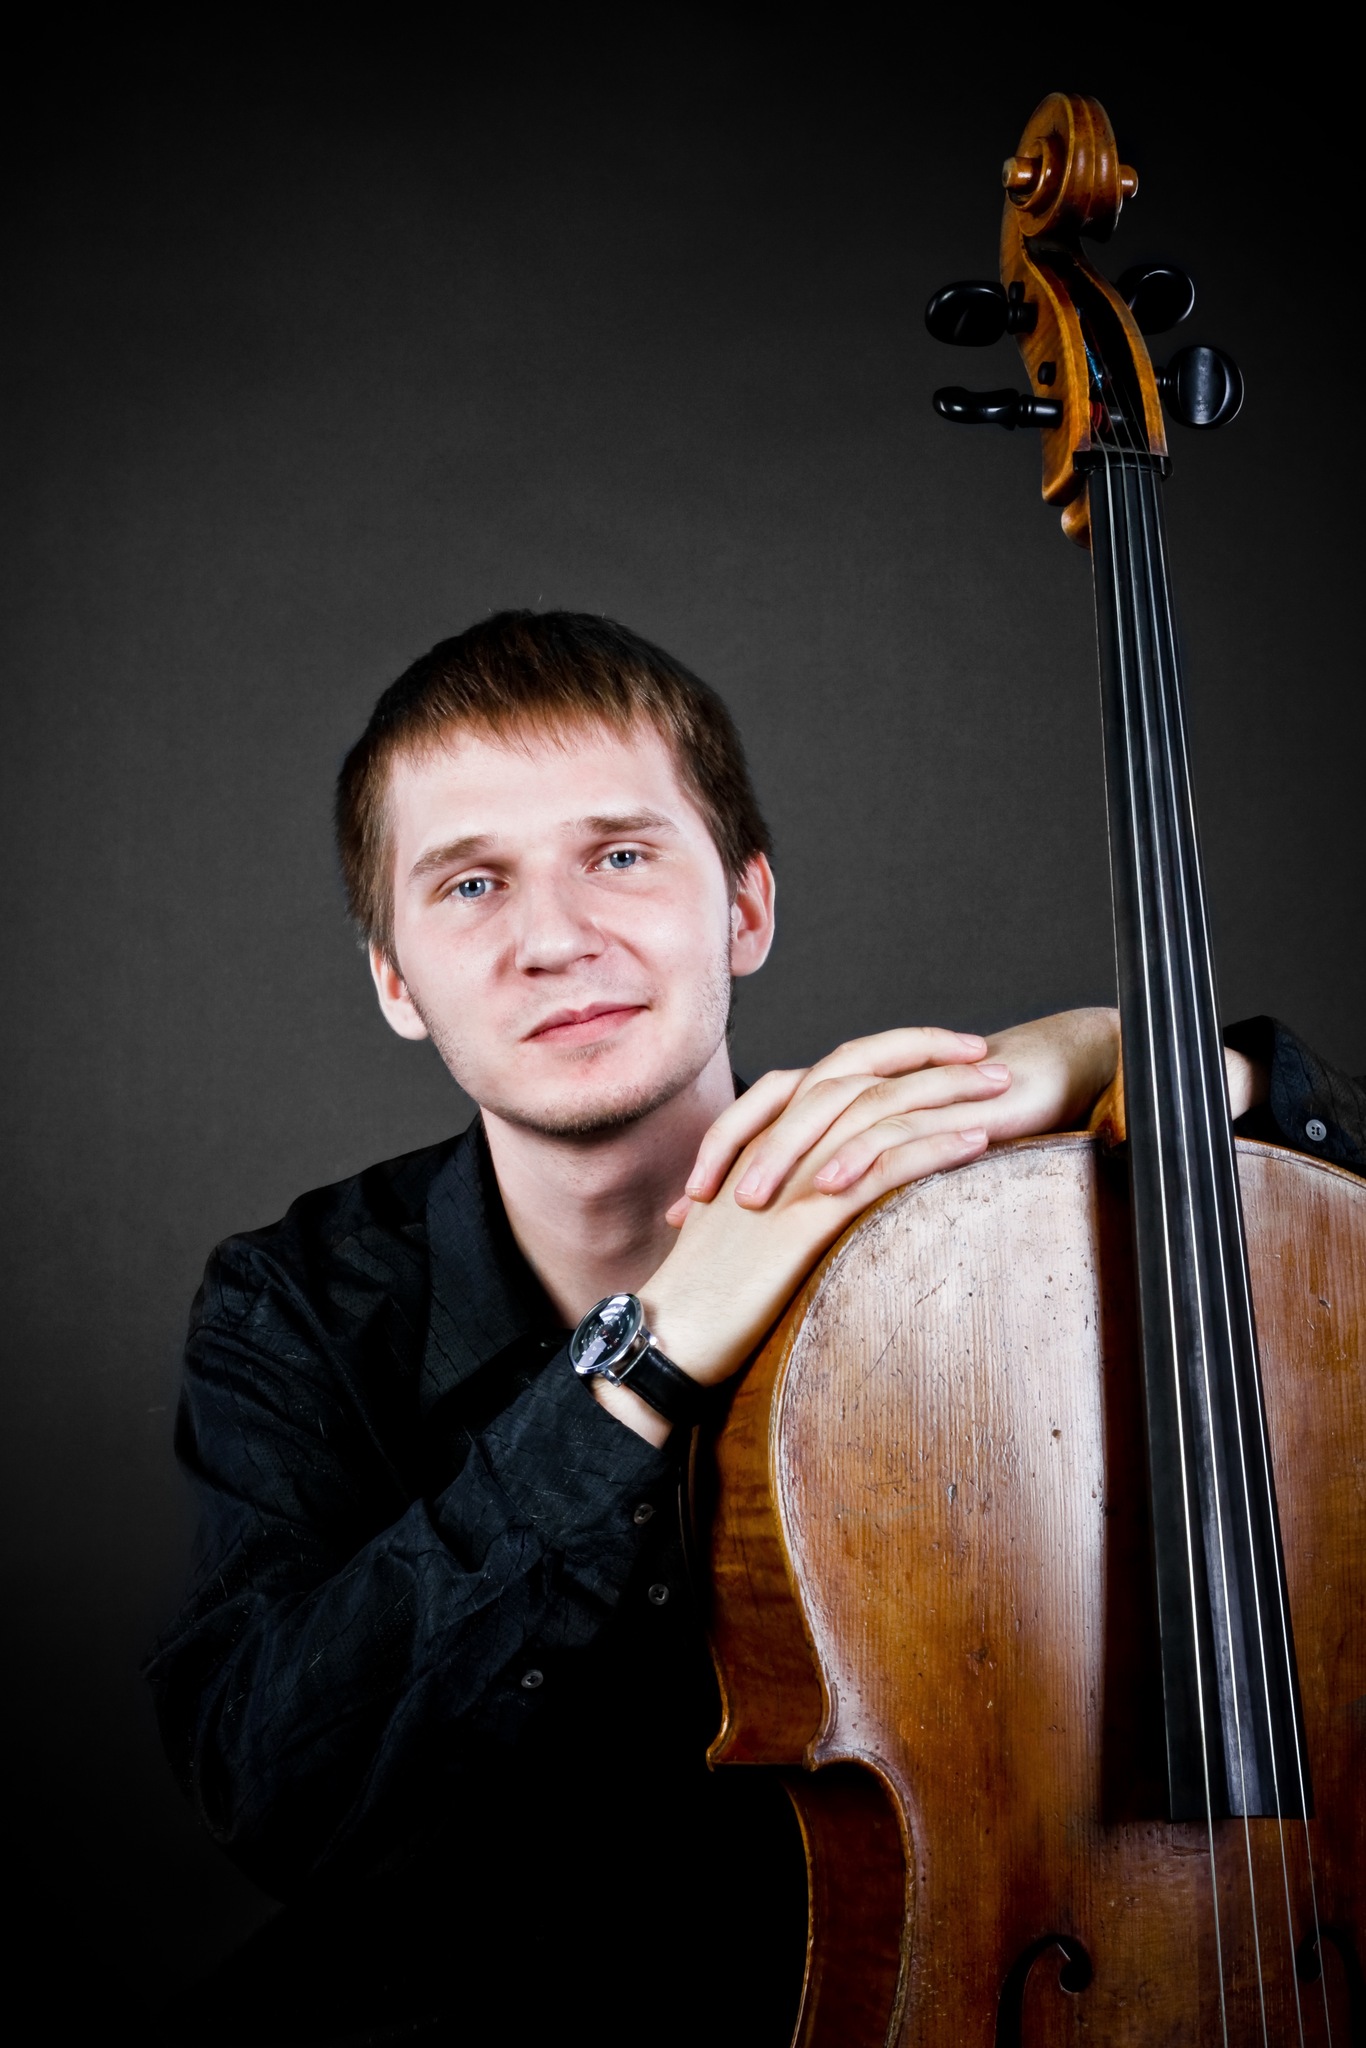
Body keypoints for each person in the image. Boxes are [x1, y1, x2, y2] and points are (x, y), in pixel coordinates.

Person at [146, 611, 1366, 2047]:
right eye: (471, 883)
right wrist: (647, 1354)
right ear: (396, 981)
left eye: (620, 856)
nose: (555, 939)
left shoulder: (981, 1243)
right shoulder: (296, 1304)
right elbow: (279, 1791)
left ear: (745, 907)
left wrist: (1149, 1059)